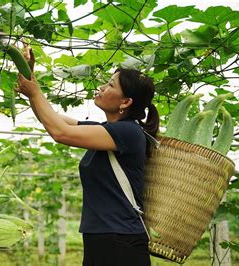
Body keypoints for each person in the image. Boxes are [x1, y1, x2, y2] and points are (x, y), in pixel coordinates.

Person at [16, 47, 159, 266]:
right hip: (103, 238)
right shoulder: (105, 131)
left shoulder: (128, 132)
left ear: (126, 102)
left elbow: (60, 132)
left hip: (120, 242)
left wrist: (34, 92)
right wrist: (29, 75)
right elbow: (53, 119)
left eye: (110, 85)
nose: (101, 87)